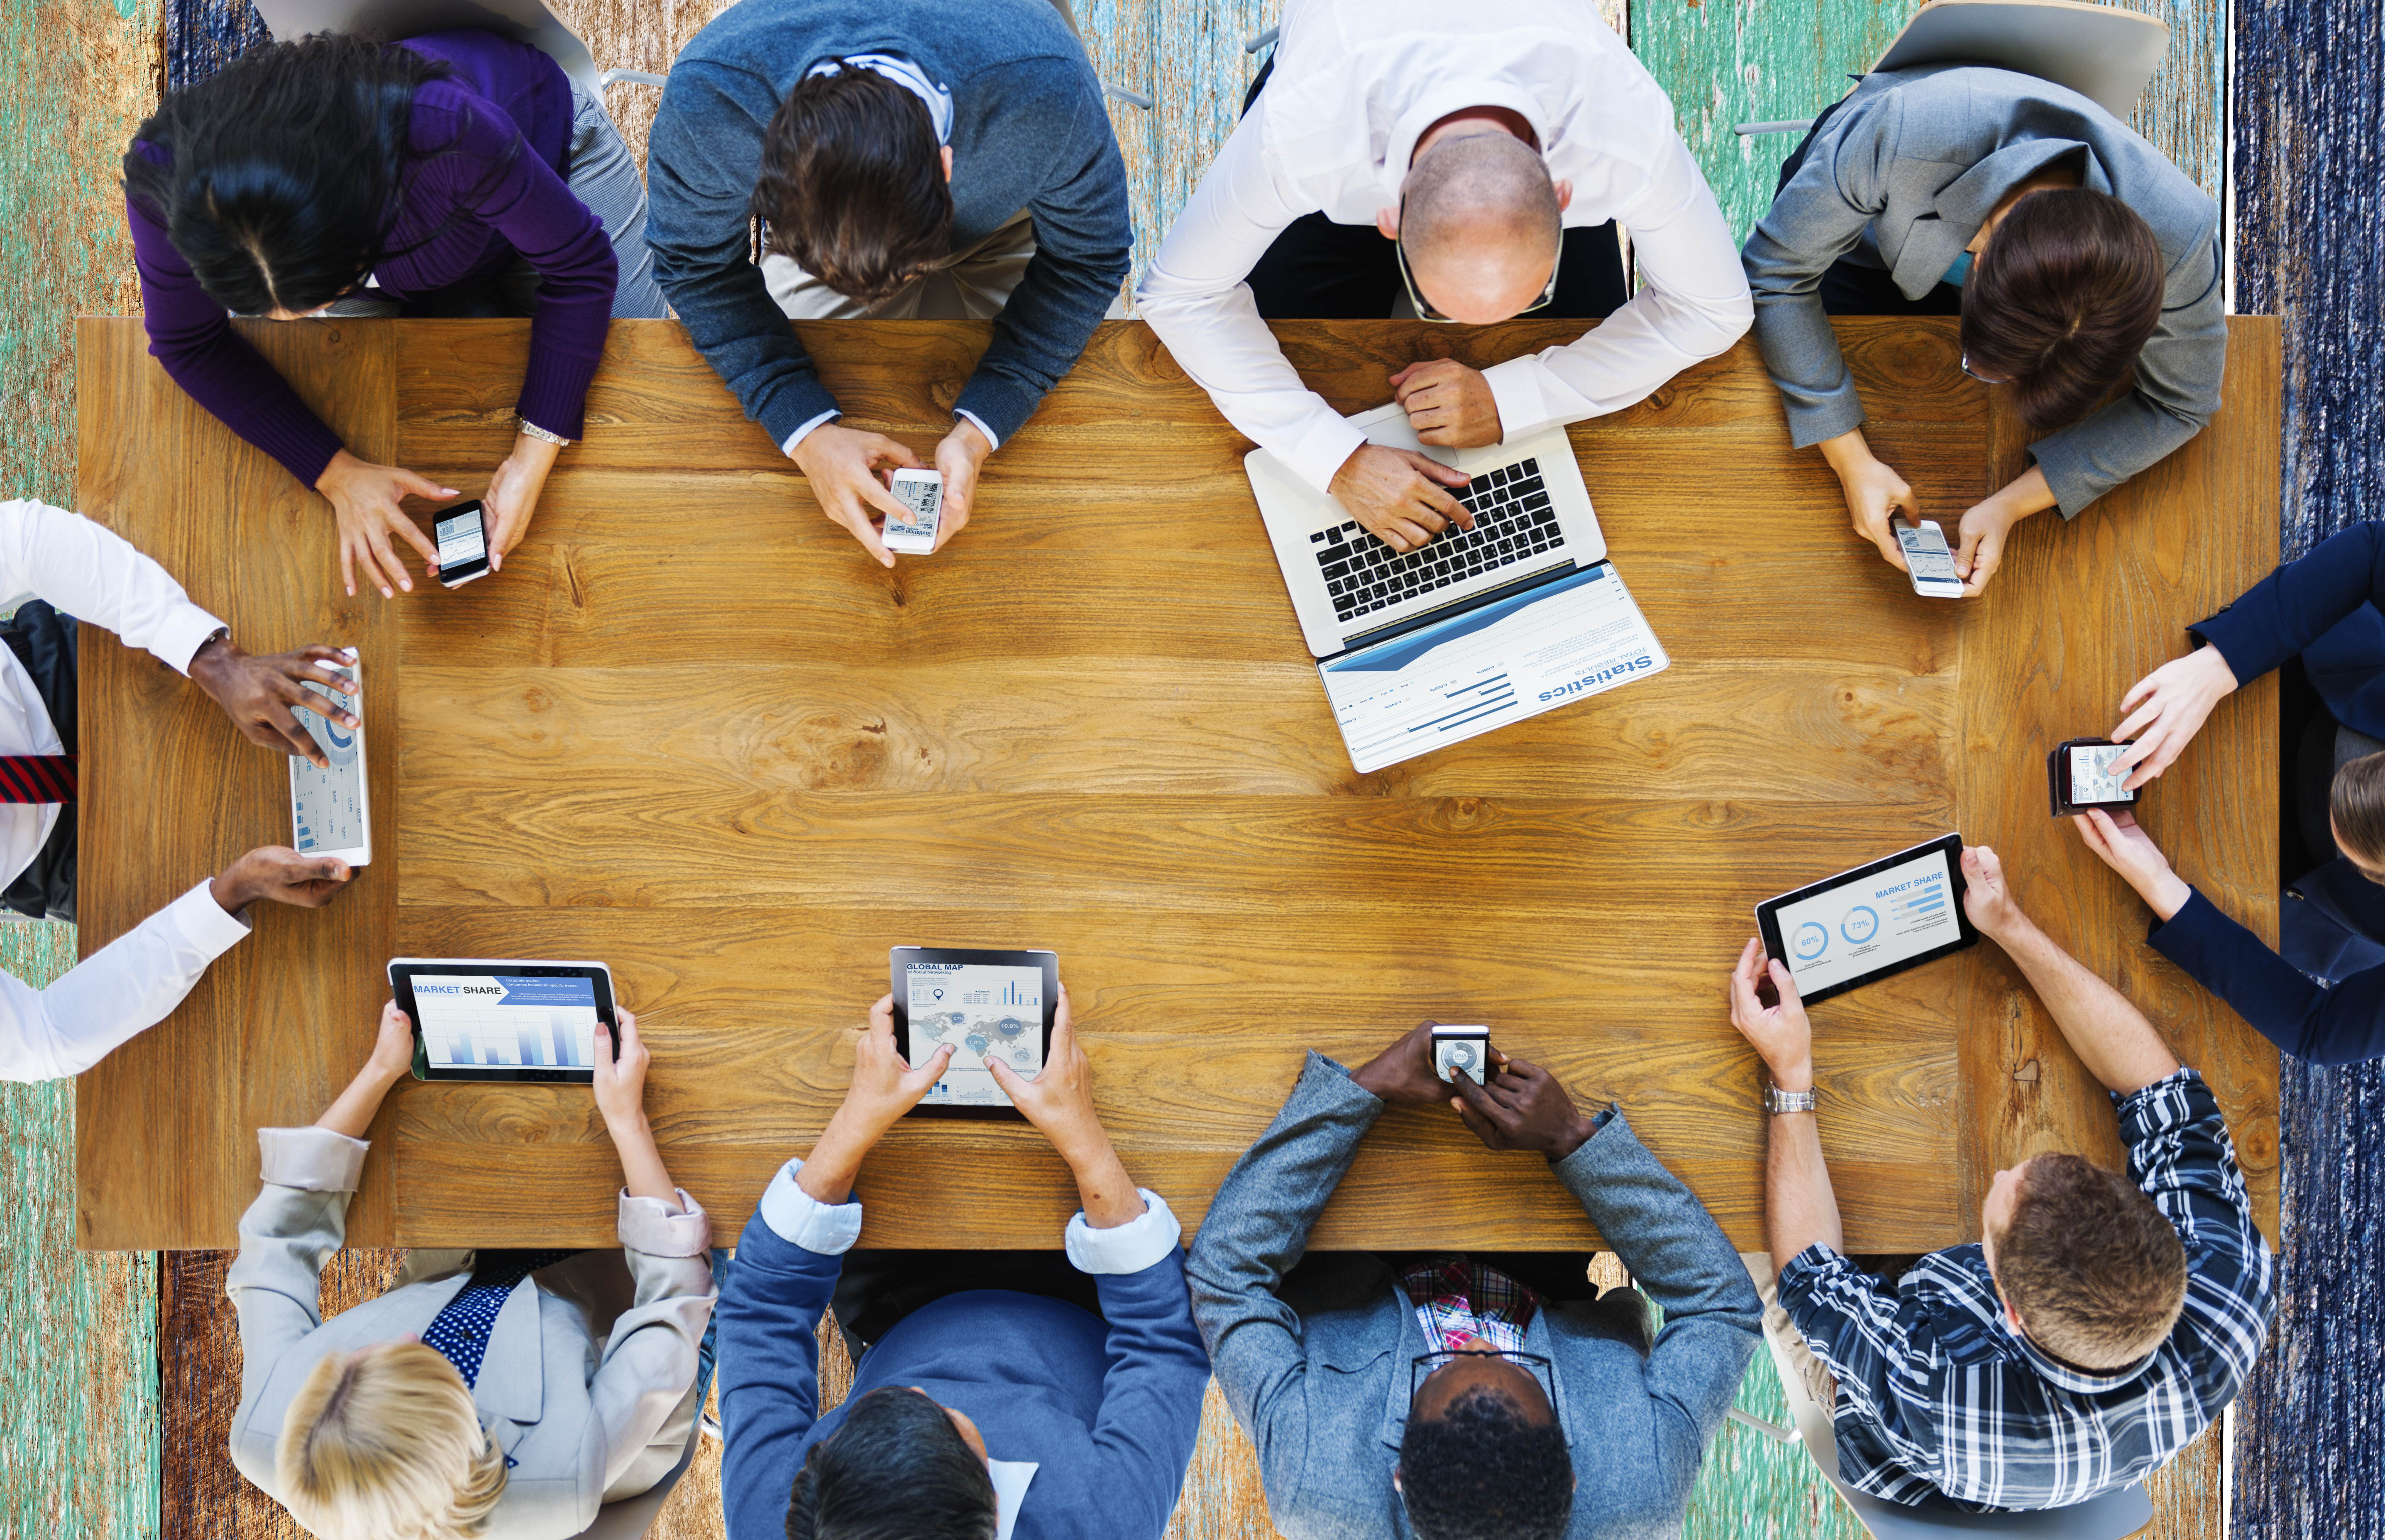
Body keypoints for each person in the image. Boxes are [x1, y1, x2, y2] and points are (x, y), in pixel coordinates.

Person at [1726, 845, 2275, 1511]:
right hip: (2036, 1397)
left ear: (2006, 1307)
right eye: (2040, 1169)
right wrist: (2008, 921)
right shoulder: (2230, 1274)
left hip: (1887, 1392)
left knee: (1717, 1197)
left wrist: (1790, 1074)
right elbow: (2157, 1091)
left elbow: (1813, 1277)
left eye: (1998, 1204)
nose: (2002, 1170)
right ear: (2143, 1208)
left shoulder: (1942, 1402)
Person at [1136, 0, 1751, 555]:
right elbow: (1182, 294)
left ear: (1563, 195)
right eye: (1437, 305)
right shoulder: (1302, 136)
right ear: (1387, 222)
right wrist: (1335, 458)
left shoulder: (1622, 134)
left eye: (1530, 292)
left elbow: (1714, 309)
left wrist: (1515, 398)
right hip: (1349, 98)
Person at [125, 29, 669, 600]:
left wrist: (528, 461)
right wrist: (336, 473)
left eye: (328, 295)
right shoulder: (165, 177)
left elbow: (581, 266)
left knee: (642, 381)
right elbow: (187, 343)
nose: (310, 317)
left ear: (359, 225)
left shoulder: (444, 129)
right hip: (425, 251)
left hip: (552, 169)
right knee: (381, 411)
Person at [1186, 1021, 1760, 1539]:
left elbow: (1224, 1280)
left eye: (1454, 1364)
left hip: (1353, 1245)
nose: (1479, 1342)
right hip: (1540, 1258)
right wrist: (1571, 1138)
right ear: (1573, 1473)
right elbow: (1723, 1306)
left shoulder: (1316, 1483)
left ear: (1399, 1476)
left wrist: (1367, 1087)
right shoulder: (1642, 1489)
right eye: (1509, 1366)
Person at [645, 0, 1132, 569]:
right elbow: (692, 264)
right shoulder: (711, 105)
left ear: (949, 168)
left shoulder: (1047, 90)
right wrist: (803, 432)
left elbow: (1090, 258)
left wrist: (985, 426)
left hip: (1006, 210)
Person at [715, 985, 1208, 1540]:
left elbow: (759, 1315)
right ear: (994, 1504)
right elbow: (1162, 1343)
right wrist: (1082, 1135)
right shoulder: (1101, 1521)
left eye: (873, 1413)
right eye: (948, 1421)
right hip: (1098, 1294)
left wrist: (857, 1119)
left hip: (897, 1299)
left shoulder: (776, 1520)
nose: (921, 1389)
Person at [228, 1003, 716, 1539]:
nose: (405, 1336)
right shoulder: (563, 1468)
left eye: (348, 1361)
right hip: (619, 1329)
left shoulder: (269, 1426)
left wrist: (379, 1072)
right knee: (712, 1208)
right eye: (415, 1358)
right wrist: (628, 1119)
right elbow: (671, 1305)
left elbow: (276, 1240)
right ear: (467, 1416)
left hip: (461, 1276)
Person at [1742, 65, 2224, 595]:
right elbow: (1775, 272)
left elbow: (2183, 403)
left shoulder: (2181, 239)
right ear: (1975, 260)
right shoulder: (1901, 135)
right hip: (1860, 231)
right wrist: (1849, 458)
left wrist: (2009, 504)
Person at [0, 496, 358, 1078]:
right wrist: (224, 898)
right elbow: (45, 1038)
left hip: (70, 672)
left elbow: (16, 540)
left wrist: (208, 655)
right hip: (72, 857)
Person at [2074, 519, 2385, 1063]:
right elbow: (2374, 551)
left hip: (2295, 883)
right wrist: (2219, 666)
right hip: (2312, 686)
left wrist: (2162, 887)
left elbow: (2316, 1031)